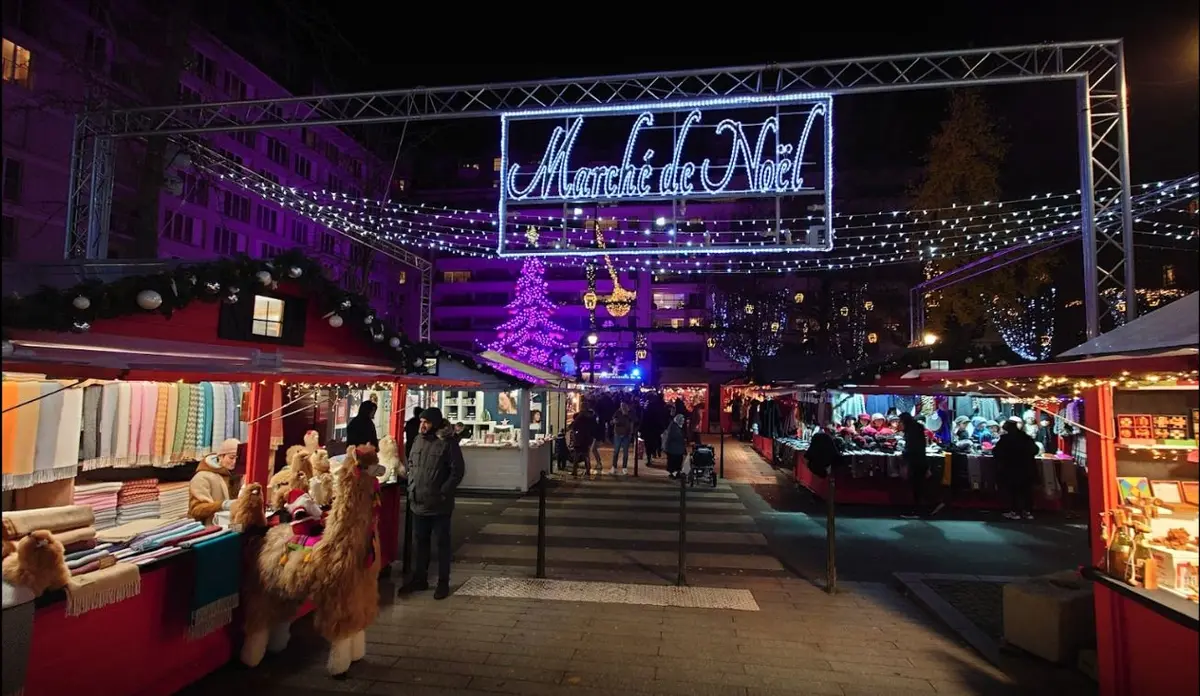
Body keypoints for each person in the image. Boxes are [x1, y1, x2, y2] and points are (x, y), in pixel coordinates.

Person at [400, 407, 465, 600]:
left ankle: (443, 583)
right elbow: (412, 463)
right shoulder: (418, 440)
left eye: (426, 422)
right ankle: (420, 578)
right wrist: (411, 484)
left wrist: (443, 492)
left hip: (439, 505)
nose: (422, 425)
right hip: (418, 501)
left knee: (442, 544)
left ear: (435, 423)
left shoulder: (447, 443)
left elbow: (457, 471)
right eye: (421, 422)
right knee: (420, 543)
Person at [993, 418, 1040, 520]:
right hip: (1027, 468)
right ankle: (1027, 511)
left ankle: (1014, 511)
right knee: (1026, 491)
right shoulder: (1026, 437)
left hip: (1011, 469)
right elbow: (1035, 450)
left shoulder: (1005, 439)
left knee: (1012, 491)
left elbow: (996, 452)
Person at [188, 438, 240, 525]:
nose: (234, 462)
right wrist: (223, 505)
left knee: (251, 532)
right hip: (208, 530)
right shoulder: (201, 478)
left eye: (238, 459)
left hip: (230, 526)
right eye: (231, 457)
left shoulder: (237, 475)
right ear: (220, 456)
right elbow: (196, 510)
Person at [898, 413, 930, 519]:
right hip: (921, 461)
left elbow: (912, 448)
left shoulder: (911, 432)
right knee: (919, 486)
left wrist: (904, 456)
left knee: (916, 486)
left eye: (900, 422)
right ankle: (920, 510)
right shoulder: (916, 429)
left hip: (915, 462)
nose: (899, 424)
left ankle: (917, 511)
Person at [569, 409, 596, 476]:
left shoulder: (578, 418)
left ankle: (574, 471)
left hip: (579, 440)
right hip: (587, 440)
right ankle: (588, 471)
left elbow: (572, 427)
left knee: (576, 455)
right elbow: (592, 429)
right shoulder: (589, 419)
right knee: (586, 455)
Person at [610, 402, 634, 475]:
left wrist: (631, 432)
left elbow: (633, 421)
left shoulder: (630, 413)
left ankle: (624, 468)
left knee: (625, 452)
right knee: (616, 451)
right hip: (618, 434)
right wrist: (614, 422)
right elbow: (612, 421)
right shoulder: (617, 412)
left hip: (626, 435)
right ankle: (614, 467)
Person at [664, 413, 687, 479]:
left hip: (677, 449)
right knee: (673, 462)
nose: (683, 422)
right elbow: (671, 437)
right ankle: (674, 474)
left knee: (677, 462)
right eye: (682, 420)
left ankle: (676, 473)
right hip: (673, 449)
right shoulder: (674, 427)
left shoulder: (676, 426)